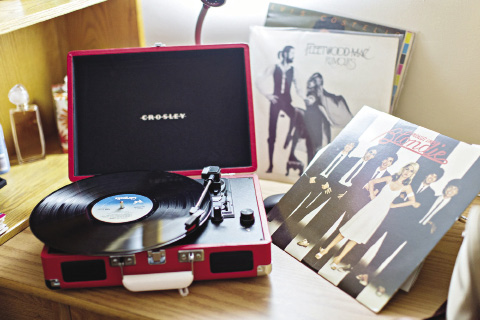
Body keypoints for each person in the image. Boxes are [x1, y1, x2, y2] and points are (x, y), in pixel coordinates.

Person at [315, 162, 420, 269]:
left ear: (413, 174)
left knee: (358, 236)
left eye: (411, 171)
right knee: (349, 228)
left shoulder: (407, 187)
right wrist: (372, 194)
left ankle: (338, 258)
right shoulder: (390, 178)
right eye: (407, 169)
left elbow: (412, 201)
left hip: (381, 212)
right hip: (370, 207)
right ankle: (326, 250)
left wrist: (394, 205)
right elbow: (372, 182)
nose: (408, 172)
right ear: (403, 169)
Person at [256, 45, 303, 173]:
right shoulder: (274, 67)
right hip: (276, 102)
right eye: (291, 54)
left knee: (297, 117)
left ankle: (288, 137)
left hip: (287, 101)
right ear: (285, 54)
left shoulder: (293, 70)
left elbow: (299, 88)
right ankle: (270, 165)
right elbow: (258, 79)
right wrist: (267, 95)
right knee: (272, 133)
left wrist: (305, 97)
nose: (292, 56)